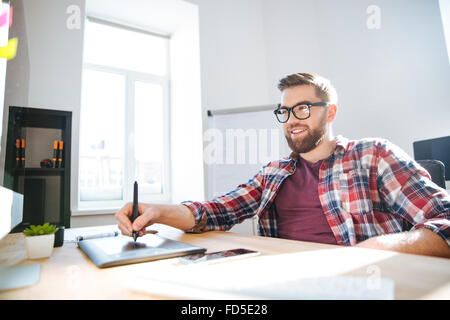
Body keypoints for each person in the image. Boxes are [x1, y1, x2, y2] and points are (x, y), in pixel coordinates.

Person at [115, 72, 450, 258]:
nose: (292, 120)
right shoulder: (273, 173)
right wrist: (157, 211)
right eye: (285, 111)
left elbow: (445, 220)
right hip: (279, 281)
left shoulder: (373, 155)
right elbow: (213, 212)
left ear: (330, 112)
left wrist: (381, 247)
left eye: (303, 108)